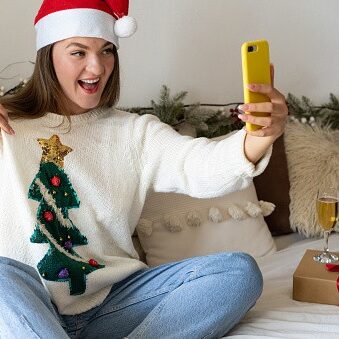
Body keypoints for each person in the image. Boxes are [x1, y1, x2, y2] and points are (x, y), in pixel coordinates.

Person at [0, 1, 288, 338]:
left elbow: (198, 164)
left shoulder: (134, 133)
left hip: (114, 305)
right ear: (48, 55)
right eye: (78, 52)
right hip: (25, 302)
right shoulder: (8, 125)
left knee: (239, 273)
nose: (97, 68)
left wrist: (260, 135)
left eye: (107, 51)